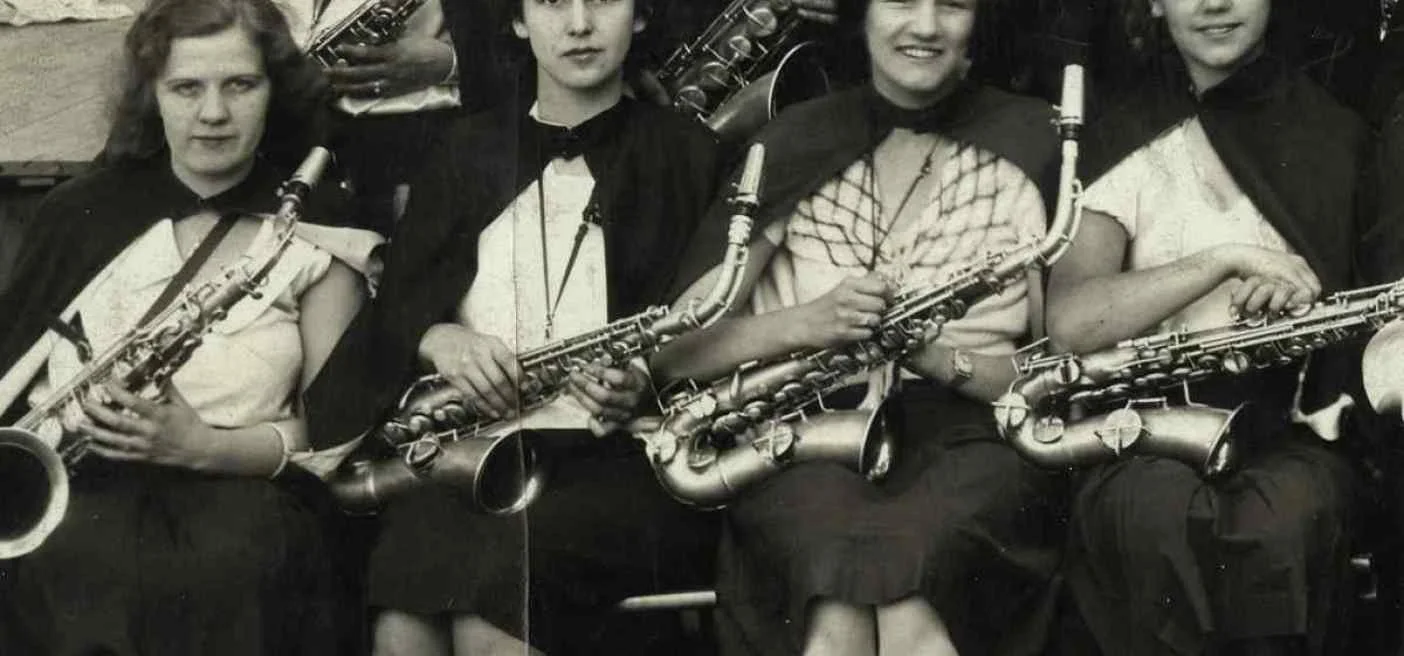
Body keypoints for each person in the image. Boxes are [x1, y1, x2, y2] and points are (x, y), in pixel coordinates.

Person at [301, 0, 724, 653]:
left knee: (485, 605)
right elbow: (400, 302)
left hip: (627, 459)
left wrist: (642, 376)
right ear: (518, 21)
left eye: (603, 0)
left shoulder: (691, 152)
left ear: (641, 15)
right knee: (403, 612)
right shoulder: (464, 149)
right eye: (551, 2)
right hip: (478, 449)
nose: (578, 24)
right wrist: (438, 338)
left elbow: (712, 316)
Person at [652, 1, 1066, 654]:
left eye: (952, 3)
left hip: (974, 442)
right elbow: (676, 353)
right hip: (807, 438)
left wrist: (937, 357)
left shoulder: (1035, 139)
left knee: (915, 590)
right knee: (836, 607)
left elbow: (1055, 372)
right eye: (900, 0)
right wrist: (810, 322)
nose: (925, 25)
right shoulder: (793, 139)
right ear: (860, 14)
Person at [0, 0, 380, 654]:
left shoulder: (321, 229)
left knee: (232, 565)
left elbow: (334, 433)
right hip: (76, 492)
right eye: (186, 88)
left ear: (276, 92)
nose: (213, 113)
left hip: (243, 499)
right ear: (151, 94)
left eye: (240, 84)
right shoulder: (77, 213)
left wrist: (202, 447)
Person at [1044, 0, 1390, 654]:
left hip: (1289, 436)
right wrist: (1222, 262)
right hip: (1143, 434)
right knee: (1156, 515)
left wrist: (1299, 304)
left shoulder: (1337, 138)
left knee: (1287, 521)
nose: (1214, 4)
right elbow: (1070, 323)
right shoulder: (1124, 135)